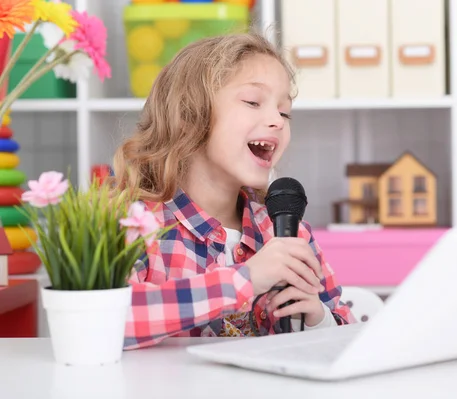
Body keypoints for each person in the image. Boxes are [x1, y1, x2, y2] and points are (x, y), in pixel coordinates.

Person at [111, 31, 356, 350]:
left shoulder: (289, 235)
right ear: (189, 115)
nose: (277, 122)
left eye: (284, 111)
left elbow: (348, 341)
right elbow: (103, 322)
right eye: (253, 102)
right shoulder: (136, 225)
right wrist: (245, 280)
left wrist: (318, 319)